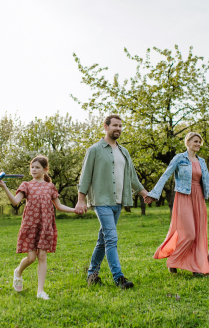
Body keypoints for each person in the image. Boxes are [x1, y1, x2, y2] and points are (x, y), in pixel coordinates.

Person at [74, 114, 149, 289]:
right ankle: (119, 278)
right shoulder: (94, 150)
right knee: (111, 238)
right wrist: (81, 199)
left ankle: (92, 275)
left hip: (118, 202)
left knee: (103, 239)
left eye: (121, 126)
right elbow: (85, 177)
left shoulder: (124, 152)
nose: (118, 129)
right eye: (115, 125)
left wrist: (144, 193)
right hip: (101, 200)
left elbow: (132, 177)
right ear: (105, 127)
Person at [0, 155, 77, 300]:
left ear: (45, 170)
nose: (33, 170)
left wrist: (74, 210)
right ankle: (18, 271)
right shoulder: (26, 185)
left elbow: (59, 206)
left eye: (37, 167)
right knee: (31, 258)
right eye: (32, 167)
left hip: (45, 225)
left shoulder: (50, 187)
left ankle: (40, 291)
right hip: (31, 224)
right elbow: (15, 202)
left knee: (42, 255)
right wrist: (4, 187)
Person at [146, 132, 209, 276]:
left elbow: (208, 184)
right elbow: (165, 175)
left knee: (198, 235)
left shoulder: (202, 162)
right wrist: (154, 193)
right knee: (189, 234)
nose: (198, 144)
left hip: (198, 198)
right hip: (184, 197)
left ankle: (195, 267)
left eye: (199, 142)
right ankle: (173, 260)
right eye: (195, 141)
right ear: (187, 142)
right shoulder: (179, 158)